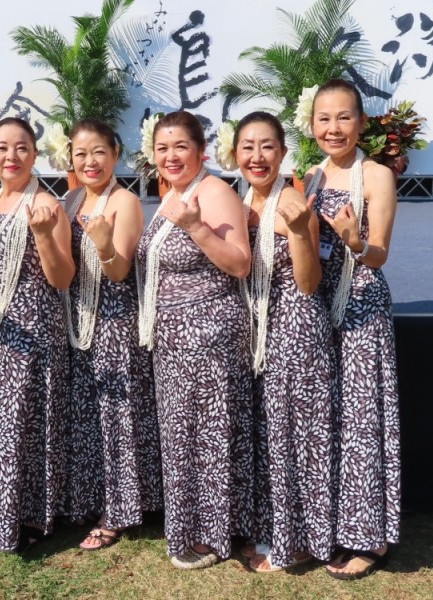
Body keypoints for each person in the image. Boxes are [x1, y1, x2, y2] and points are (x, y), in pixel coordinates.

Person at [135, 110, 253, 569]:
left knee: (209, 436)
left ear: (201, 151)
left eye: (180, 146)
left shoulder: (214, 192)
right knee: (183, 437)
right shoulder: (174, 194)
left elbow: (239, 263)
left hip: (208, 337)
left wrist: (196, 227)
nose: (170, 156)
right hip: (173, 341)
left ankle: (213, 534)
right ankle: (190, 525)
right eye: (162, 148)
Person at [304, 78, 401, 580]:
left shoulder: (377, 175)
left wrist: (353, 240)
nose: (334, 128)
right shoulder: (311, 176)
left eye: (344, 117)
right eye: (324, 118)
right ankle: (328, 528)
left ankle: (370, 538)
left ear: (361, 124)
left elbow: (379, 253)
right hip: (317, 306)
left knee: (362, 422)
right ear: (312, 125)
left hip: (361, 306)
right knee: (328, 421)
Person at [232, 112, 335, 572]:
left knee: (294, 439)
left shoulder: (292, 203)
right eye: (248, 147)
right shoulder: (237, 202)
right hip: (255, 333)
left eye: (267, 146)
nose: (257, 156)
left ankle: (297, 541)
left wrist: (298, 233)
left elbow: (310, 283)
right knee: (267, 436)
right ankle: (269, 528)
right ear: (235, 154)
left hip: (294, 333)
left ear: (283, 152)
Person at [0, 116, 75, 553]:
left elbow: (63, 277)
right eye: (2, 147)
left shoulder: (46, 203)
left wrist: (44, 236)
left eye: (21, 147)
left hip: (32, 330)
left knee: (26, 422)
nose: (11, 156)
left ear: (34, 154)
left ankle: (30, 513)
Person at [62, 118, 163, 549]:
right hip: (79, 323)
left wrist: (103, 243)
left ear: (115, 154)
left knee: (118, 418)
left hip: (115, 325)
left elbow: (119, 270)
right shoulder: (71, 199)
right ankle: (90, 499)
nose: (90, 162)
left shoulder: (125, 201)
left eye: (99, 152)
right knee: (90, 418)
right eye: (81, 153)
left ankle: (120, 510)